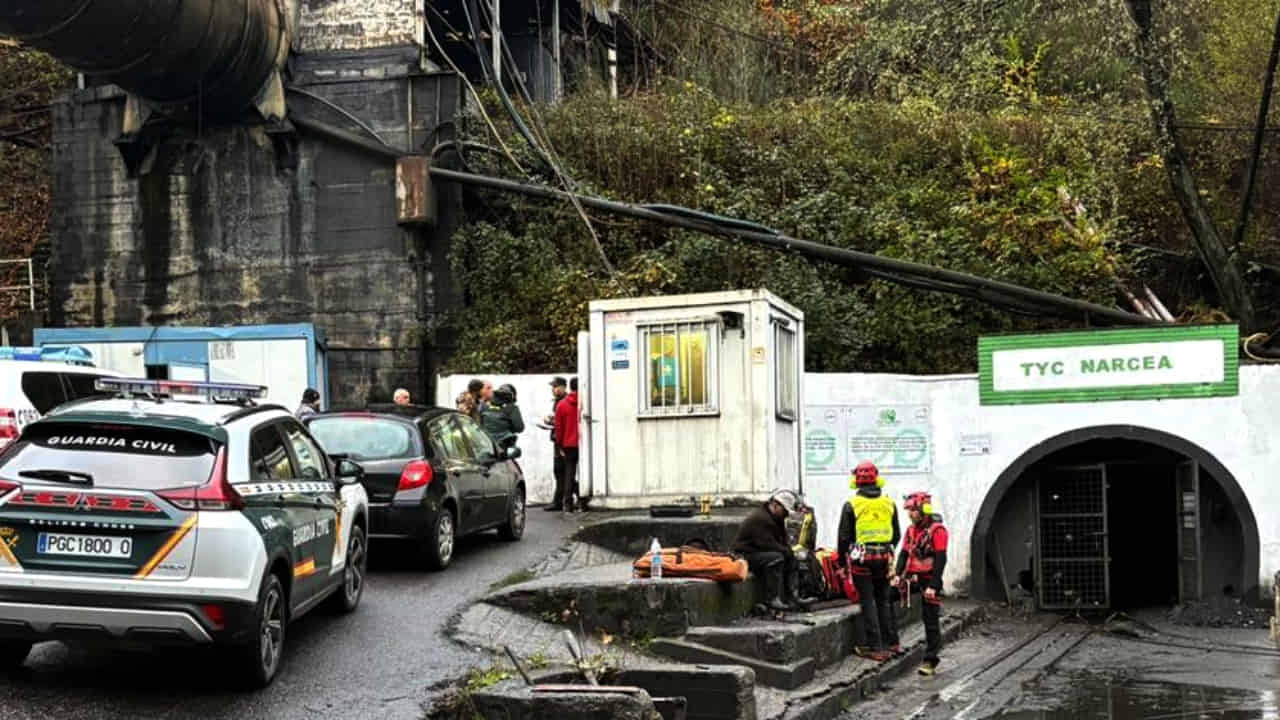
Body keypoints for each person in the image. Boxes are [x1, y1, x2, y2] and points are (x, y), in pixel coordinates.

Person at [838, 461, 901, 662]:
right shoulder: (889, 503)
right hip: (884, 558)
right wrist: (886, 549)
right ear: (877, 480)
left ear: (855, 481)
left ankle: (875, 647)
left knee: (868, 602)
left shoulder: (852, 504)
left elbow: (844, 538)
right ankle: (892, 643)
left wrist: (842, 563)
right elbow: (896, 535)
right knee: (883, 600)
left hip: (863, 560)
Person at [732, 489, 815, 612]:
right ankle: (772, 598)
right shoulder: (761, 518)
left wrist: (789, 552)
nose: (786, 515)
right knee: (776, 558)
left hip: (759, 551)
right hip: (745, 555)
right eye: (784, 511)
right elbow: (766, 544)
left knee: (791, 557)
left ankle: (793, 597)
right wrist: (785, 551)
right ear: (775, 505)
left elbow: (782, 541)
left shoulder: (776, 518)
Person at [896, 491, 949, 676]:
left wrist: (933, 585)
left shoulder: (938, 531)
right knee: (887, 597)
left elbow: (941, 559)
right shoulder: (911, 531)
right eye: (909, 511)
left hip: (929, 578)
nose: (910, 514)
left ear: (923, 510)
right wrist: (897, 575)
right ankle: (892, 644)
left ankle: (931, 659)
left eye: (913, 510)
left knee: (930, 620)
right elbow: (904, 553)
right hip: (912, 577)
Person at [553, 377, 580, 513]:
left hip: (568, 444)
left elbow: (559, 428)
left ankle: (567, 504)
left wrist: (560, 445)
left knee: (569, 473)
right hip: (585, 443)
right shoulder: (586, 403)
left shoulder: (562, 405)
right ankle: (585, 499)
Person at [544, 377, 570, 511]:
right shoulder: (558, 401)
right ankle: (560, 500)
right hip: (558, 439)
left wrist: (551, 421)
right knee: (560, 472)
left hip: (562, 441)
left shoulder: (565, 401)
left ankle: (562, 500)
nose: (553, 390)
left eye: (555, 387)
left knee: (561, 471)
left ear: (563, 387)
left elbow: (563, 421)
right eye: (552, 387)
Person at [480, 383, 525, 449]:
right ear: (512, 396)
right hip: (504, 445)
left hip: (486, 443)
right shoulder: (512, 408)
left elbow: (479, 424)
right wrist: (509, 427)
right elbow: (520, 428)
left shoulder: (484, 406)